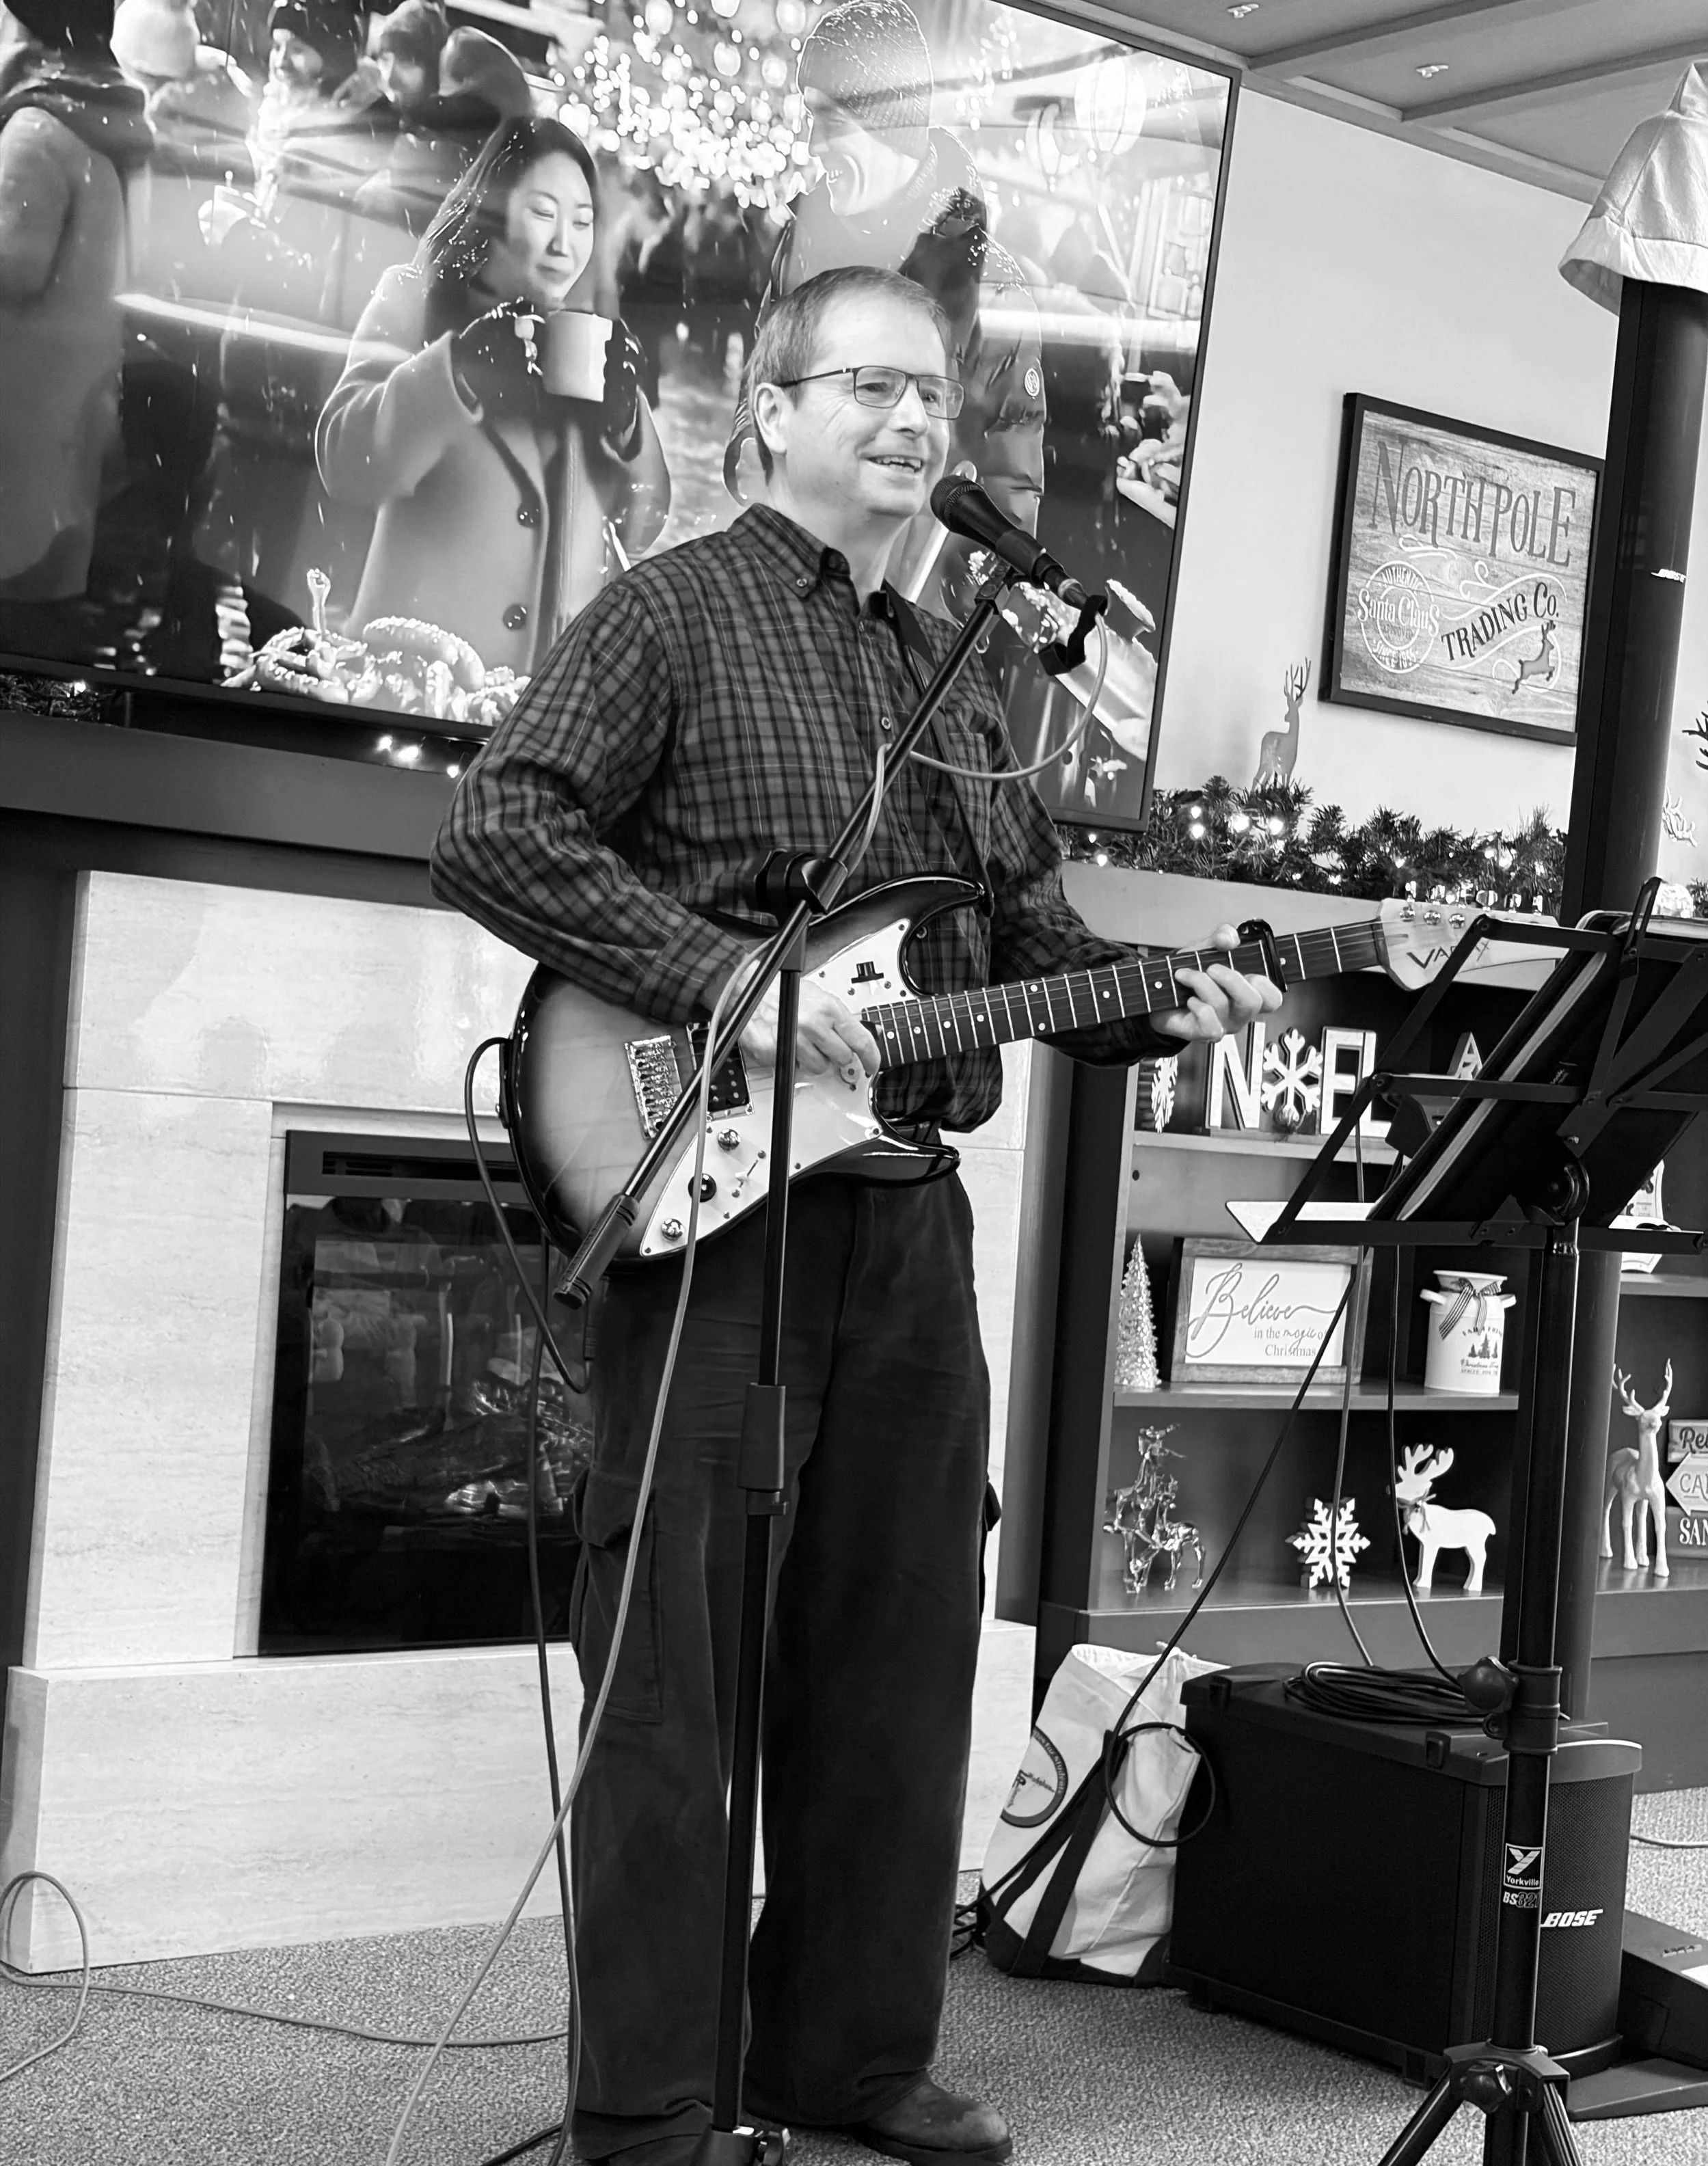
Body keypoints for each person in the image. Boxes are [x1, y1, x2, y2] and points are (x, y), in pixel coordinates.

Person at [429, 261, 1280, 2166]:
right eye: (871, 387)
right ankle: (650, 2101)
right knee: (674, 1682)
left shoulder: (963, 679)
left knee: (896, 1659)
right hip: (711, 1218)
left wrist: (1164, 1000)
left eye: (932, 395)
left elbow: (1034, 946)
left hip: (906, 1229)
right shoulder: (673, 612)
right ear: (773, 409)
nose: (912, 421)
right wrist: (730, 984)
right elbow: (496, 827)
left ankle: (848, 2056)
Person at [318, 115, 669, 684]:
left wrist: (628, 429)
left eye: (582, 222)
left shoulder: (588, 340)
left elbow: (641, 526)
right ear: (495, 208)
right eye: (543, 213)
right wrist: (457, 372)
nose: (564, 245)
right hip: (412, 689)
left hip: (547, 704)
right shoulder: (416, 300)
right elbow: (347, 463)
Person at [0, 0, 152, 641]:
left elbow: (12, 268)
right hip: (69, 419)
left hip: (15, 427)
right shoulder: (110, 128)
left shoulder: (35, 134)